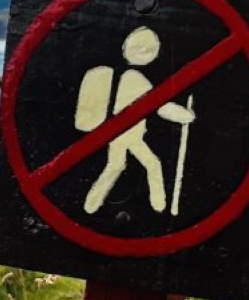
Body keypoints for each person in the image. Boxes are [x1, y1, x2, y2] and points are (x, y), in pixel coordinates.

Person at [75, 26, 195, 215]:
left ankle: (93, 204)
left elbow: (156, 104)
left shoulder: (128, 77)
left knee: (120, 166)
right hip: (126, 136)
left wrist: (184, 116)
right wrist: (184, 116)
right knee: (147, 164)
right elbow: (159, 106)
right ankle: (157, 205)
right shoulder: (136, 79)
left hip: (125, 135)